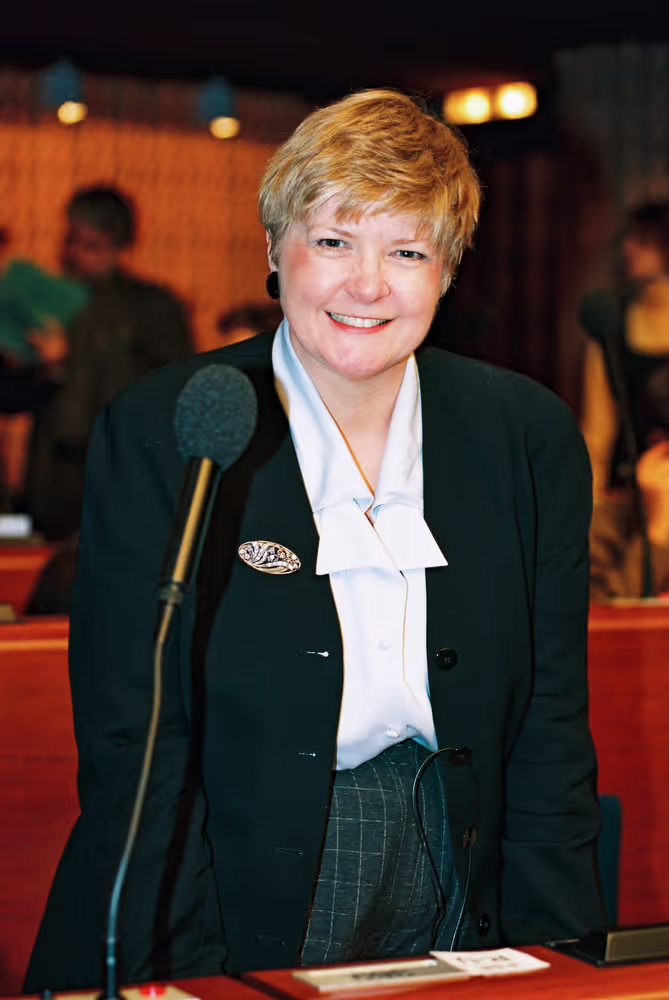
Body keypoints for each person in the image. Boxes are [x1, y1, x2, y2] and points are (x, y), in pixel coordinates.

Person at [25, 91, 603, 992]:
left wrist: (561, 961)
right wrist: (194, 975)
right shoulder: (166, 427)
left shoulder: (525, 435)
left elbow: (550, 728)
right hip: (224, 883)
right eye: (333, 241)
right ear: (274, 249)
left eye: (406, 251)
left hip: (463, 869)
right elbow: (135, 749)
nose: (366, 285)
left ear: (446, 268)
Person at [22, 186, 192, 541]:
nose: (75, 253)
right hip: (56, 477)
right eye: (72, 241)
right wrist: (48, 365)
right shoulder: (45, 302)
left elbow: (179, 393)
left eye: (91, 244)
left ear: (118, 243)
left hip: (125, 472)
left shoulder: (154, 308)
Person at [581, 201, 669, 597]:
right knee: (605, 588)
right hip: (626, 496)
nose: (628, 249)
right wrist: (592, 507)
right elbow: (597, 434)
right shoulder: (611, 329)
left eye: (643, 240)